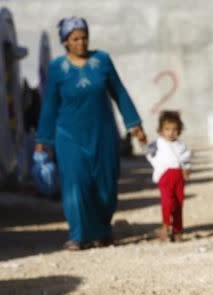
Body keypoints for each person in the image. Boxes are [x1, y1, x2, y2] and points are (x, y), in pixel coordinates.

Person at [35, 17, 147, 250]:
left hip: (103, 133)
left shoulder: (102, 60)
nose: (81, 42)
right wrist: (42, 140)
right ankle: (79, 235)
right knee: (76, 184)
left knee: (105, 186)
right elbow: (49, 106)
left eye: (84, 37)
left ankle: (103, 231)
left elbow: (120, 92)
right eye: (75, 38)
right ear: (65, 41)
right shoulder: (57, 68)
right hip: (68, 136)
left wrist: (133, 123)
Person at [146, 111, 191, 242]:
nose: (171, 132)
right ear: (161, 130)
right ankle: (166, 224)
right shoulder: (158, 144)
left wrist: (187, 169)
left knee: (178, 203)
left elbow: (186, 159)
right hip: (165, 176)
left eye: (174, 129)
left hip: (178, 177)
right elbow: (147, 151)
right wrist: (142, 139)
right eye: (167, 129)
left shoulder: (181, 146)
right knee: (167, 202)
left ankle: (177, 230)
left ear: (179, 130)